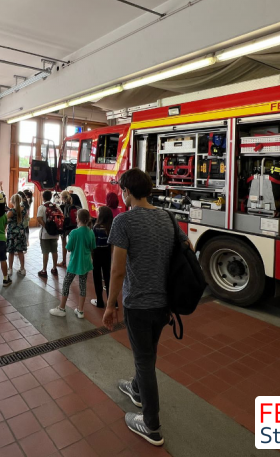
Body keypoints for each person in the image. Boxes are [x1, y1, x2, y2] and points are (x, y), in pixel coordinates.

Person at [103, 169, 189, 447]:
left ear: (126, 191)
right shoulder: (167, 217)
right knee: (148, 354)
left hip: (137, 305)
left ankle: (151, 425)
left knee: (144, 360)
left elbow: (116, 271)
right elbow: (188, 247)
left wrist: (110, 305)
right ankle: (137, 389)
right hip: (164, 305)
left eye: (122, 190)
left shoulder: (123, 222)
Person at [50, 209, 95, 319]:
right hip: (86, 263)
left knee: (66, 283)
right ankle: (80, 310)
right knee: (82, 285)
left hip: (74, 263)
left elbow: (69, 248)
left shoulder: (74, 233)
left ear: (78, 219)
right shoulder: (91, 232)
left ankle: (62, 308)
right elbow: (92, 247)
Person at [90, 206, 114, 309]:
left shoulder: (96, 227)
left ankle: (99, 301)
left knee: (97, 277)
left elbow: (93, 243)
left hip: (97, 253)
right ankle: (112, 302)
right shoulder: (111, 227)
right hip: (107, 253)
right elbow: (112, 244)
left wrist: (92, 256)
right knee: (108, 277)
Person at [36, 190, 60, 278]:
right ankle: (54, 268)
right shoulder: (56, 206)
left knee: (45, 252)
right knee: (54, 251)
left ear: (43, 197)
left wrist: (46, 227)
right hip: (55, 233)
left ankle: (44, 270)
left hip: (45, 234)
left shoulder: (42, 207)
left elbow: (39, 218)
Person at [6, 193, 28, 276]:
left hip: (12, 233)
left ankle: (10, 269)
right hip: (21, 232)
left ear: (12, 201)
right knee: (20, 251)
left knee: (11, 252)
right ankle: (22, 269)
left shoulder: (11, 212)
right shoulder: (24, 210)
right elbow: (26, 218)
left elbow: (5, 220)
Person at [57, 191, 77, 268]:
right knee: (73, 244)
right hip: (73, 226)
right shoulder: (73, 206)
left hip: (65, 227)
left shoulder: (61, 206)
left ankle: (64, 262)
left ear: (62, 197)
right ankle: (74, 261)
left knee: (63, 244)